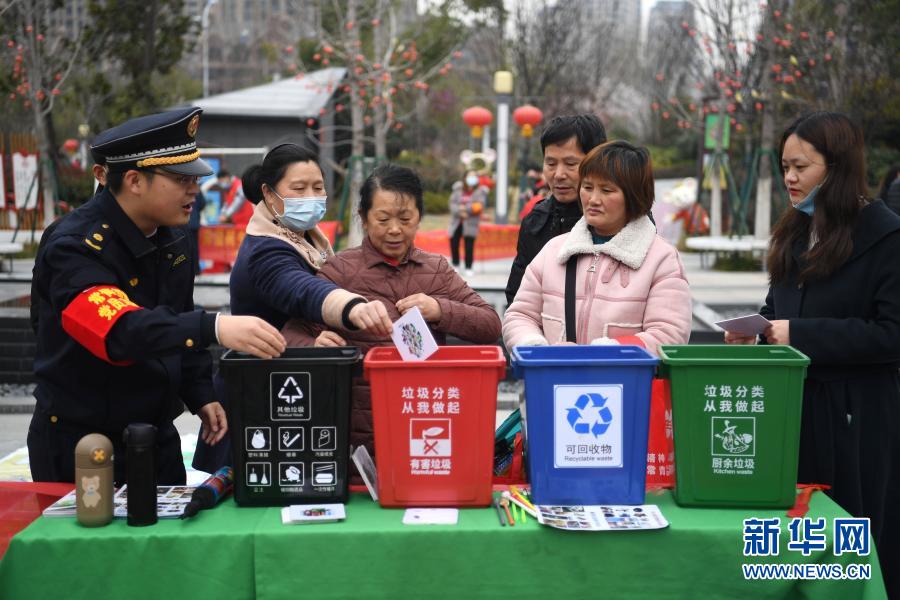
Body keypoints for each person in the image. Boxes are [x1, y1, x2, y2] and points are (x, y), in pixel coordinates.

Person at [28, 107, 286, 485]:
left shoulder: (173, 236)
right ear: (134, 180)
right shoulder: (76, 246)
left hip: (154, 435)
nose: (194, 189)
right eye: (181, 179)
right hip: (83, 443)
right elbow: (119, 331)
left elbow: (178, 313)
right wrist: (213, 326)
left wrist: (200, 393)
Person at [723, 112, 900, 596]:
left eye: (801, 166)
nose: (790, 178)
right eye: (784, 167)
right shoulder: (794, 233)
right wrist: (755, 333)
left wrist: (797, 332)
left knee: (849, 547)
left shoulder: (885, 237)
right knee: (795, 550)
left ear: (838, 167)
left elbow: (890, 334)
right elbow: (775, 311)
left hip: (856, 418)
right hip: (793, 414)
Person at [281, 164, 502, 470]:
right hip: (359, 433)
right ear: (364, 217)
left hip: (426, 418)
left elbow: (490, 325)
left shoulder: (436, 269)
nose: (395, 229)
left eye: (405, 219)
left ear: (419, 218)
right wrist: (314, 344)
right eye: (383, 219)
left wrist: (439, 309)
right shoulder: (339, 270)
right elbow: (289, 333)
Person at [192, 144, 393, 473]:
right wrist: (352, 306)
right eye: (298, 189)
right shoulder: (266, 249)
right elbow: (302, 291)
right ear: (269, 194)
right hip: (259, 400)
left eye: (318, 187)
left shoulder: (309, 239)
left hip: (295, 393)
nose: (311, 196)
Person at [503, 140, 692, 354]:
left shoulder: (661, 259)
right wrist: (535, 347)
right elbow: (520, 315)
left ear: (634, 196)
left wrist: (607, 353)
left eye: (607, 190)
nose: (593, 199)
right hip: (555, 383)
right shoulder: (554, 250)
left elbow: (668, 334)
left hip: (626, 385)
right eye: (587, 187)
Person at [505, 114, 607, 305]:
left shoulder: (622, 219)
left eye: (570, 164)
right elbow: (518, 299)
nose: (558, 175)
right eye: (551, 164)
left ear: (597, 162)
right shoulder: (535, 222)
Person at [447, 169, 488, 276]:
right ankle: (455, 264)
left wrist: (464, 208)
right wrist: (460, 211)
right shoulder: (457, 190)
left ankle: (468, 267)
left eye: (474, 176)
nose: (472, 178)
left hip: (470, 223)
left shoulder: (480, 191)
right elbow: (452, 204)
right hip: (457, 222)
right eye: (470, 176)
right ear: (465, 177)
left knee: (469, 245)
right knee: (454, 243)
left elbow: (479, 206)